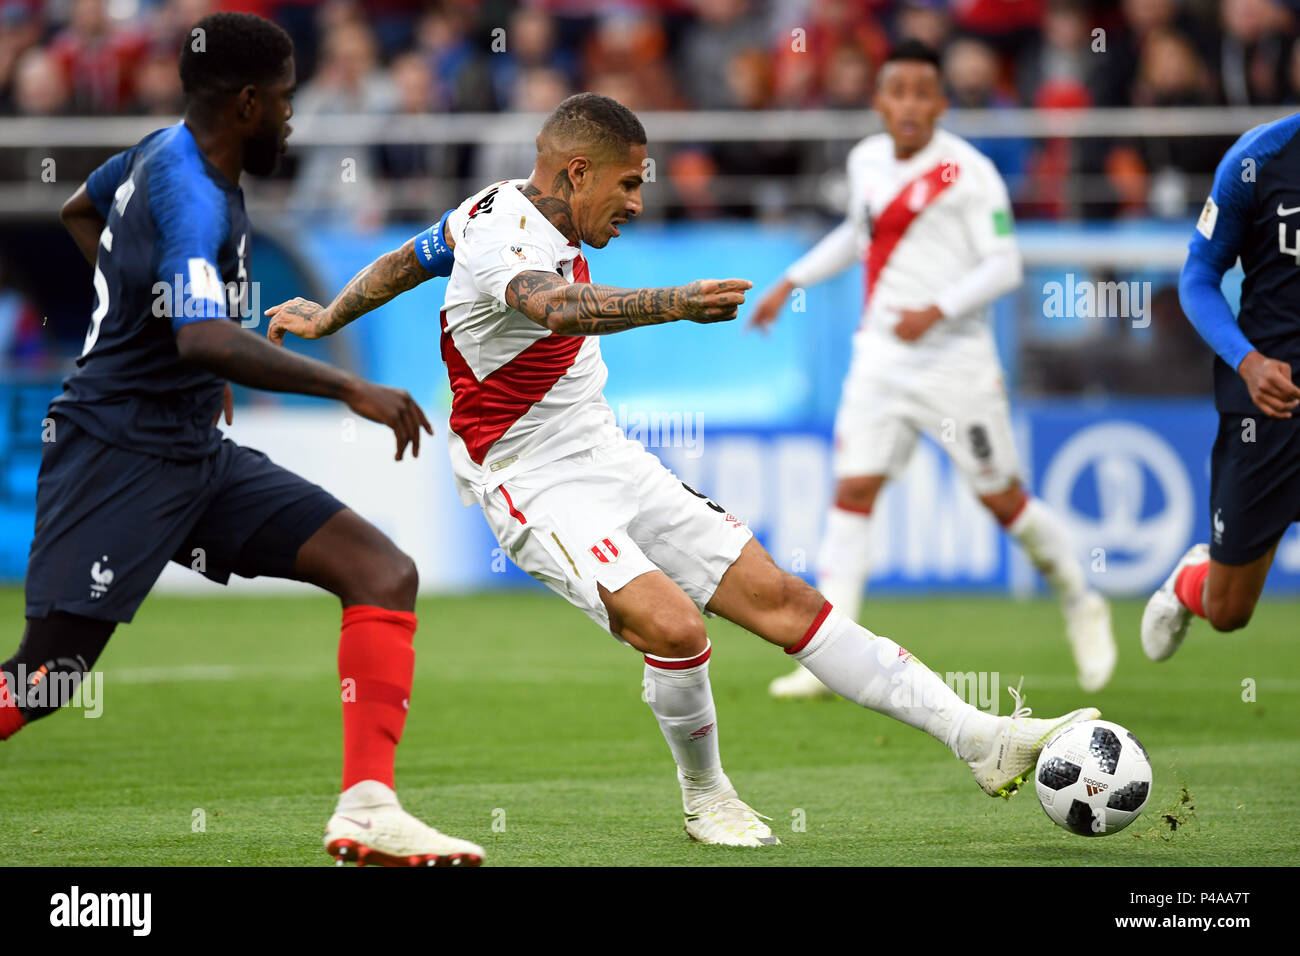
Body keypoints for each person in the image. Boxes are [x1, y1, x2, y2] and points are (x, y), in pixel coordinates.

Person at [265, 92, 1100, 848]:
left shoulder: (480, 213)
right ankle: (707, 799)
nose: (636, 203)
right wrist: (676, 301)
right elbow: (555, 306)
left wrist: (332, 310)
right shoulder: (501, 236)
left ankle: (979, 738)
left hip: (608, 455)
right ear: (576, 170)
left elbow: (408, 260)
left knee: (788, 601)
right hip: (529, 480)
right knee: (675, 629)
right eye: (627, 186)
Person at [0, 12, 482, 868]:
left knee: (380, 571)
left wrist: (172, 330)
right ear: (250, 103)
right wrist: (349, 385)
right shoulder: (188, 188)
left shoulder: (158, 150)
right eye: (289, 101)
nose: (295, 118)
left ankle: (368, 807)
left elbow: (85, 209)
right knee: (49, 679)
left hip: (191, 448)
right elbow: (201, 337)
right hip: (118, 453)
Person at [749, 40, 1117, 700]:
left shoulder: (969, 172)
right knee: (852, 493)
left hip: (955, 363)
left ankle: (1078, 597)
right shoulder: (865, 160)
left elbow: (1004, 264)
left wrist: (937, 310)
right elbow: (860, 236)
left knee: (1003, 501)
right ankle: (834, 659)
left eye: (924, 92)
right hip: (879, 361)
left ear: (942, 103)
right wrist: (791, 280)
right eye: (899, 91)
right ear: (880, 101)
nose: (911, 104)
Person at [1142, 114, 1300, 656]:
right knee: (1229, 611)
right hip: (1270, 404)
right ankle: (1193, 580)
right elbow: (1199, 278)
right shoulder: (1258, 159)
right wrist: (1248, 362)